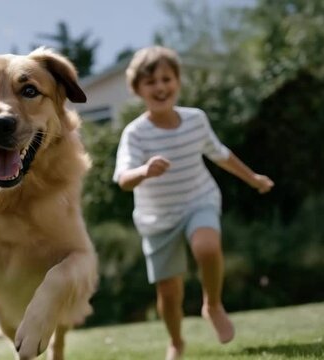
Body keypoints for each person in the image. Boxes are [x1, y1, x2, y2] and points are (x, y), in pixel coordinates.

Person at [113, 46, 274, 360]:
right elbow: (122, 178)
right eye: (150, 82)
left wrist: (253, 178)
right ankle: (176, 341)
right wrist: (144, 171)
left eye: (166, 78)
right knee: (169, 294)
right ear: (137, 90)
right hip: (156, 217)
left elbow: (221, 154)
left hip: (198, 199)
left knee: (207, 247)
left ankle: (212, 305)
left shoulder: (195, 120)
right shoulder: (135, 134)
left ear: (178, 81)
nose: (160, 87)